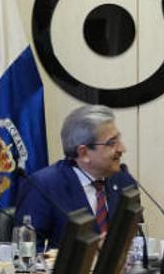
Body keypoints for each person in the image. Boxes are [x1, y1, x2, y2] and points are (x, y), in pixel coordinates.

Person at [16, 105, 136, 248]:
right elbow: (26, 251)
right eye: (112, 143)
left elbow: (137, 238)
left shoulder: (123, 181)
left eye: (119, 140)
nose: (122, 148)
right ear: (84, 153)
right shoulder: (43, 186)